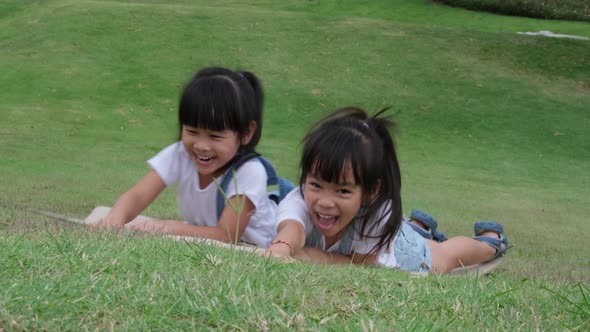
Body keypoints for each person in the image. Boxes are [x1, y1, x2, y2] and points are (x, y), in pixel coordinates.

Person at [267, 107, 510, 274]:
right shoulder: (299, 198)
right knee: (403, 232)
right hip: (387, 234)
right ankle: (417, 227)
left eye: (342, 191)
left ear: (371, 190)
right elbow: (292, 228)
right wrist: (282, 248)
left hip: (399, 252)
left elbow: (361, 265)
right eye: (316, 185)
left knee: (445, 258)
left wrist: (315, 257)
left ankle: (490, 243)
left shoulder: (378, 212)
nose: (324, 202)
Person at [99, 67, 279, 247]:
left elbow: (226, 235)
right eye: (192, 131)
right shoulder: (180, 154)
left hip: (252, 249)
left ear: (246, 133)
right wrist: (115, 219)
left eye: (215, 136)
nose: (201, 146)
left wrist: (164, 227)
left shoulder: (249, 172)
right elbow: (138, 195)